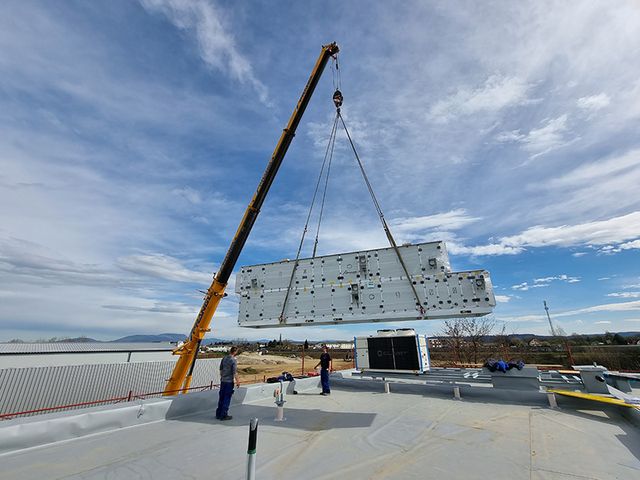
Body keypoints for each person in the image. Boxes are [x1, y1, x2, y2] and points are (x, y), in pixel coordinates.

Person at [216, 346, 240, 420]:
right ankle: (224, 415)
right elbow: (234, 372)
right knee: (227, 398)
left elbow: (220, 369)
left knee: (221, 397)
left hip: (223, 381)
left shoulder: (224, 358)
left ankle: (218, 414)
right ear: (235, 352)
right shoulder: (233, 360)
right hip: (229, 382)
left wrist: (222, 377)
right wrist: (237, 381)